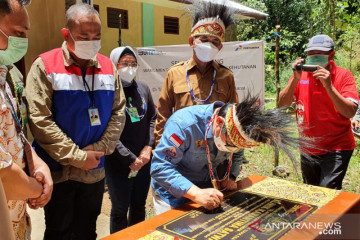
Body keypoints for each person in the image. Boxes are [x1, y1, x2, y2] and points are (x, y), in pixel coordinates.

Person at [26, 3, 126, 240]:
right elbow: (40, 120)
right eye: (83, 37)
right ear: (66, 34)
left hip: (94, 171)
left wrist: (98, 150)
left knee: (86, 231)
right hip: (57, 172)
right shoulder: (45, 66)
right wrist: (77, 157)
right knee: (58, 232)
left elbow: (119, 111)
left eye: (97, 36)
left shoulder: (108, 67)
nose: (91, 41)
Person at [151, 97, 303, 215]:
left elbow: (238, 151)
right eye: (231, 145)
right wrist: (195, 193)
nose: (233, 149)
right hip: (172, 194)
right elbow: (159, 167)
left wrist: (231, 176)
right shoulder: (184, 125)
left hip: (208, 192)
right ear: (218, 122)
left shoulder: (236, 127)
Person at [0, 0, 53, 239]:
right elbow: (5, 179)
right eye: (17, 33)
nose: (23, 41)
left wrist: (39, 165)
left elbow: (16, 135)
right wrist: (38, 189)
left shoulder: (5, 76)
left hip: (16, 221)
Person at [278, 34, 359, 190]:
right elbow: (282, 104)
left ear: (331, 55)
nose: (315, 57)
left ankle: (331, 215)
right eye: (311, 53)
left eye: (320, 54)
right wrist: (295, 78)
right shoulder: (301, 75)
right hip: (308, 146)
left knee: (327, 191)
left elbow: (349, 112)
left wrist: (329, 86)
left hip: (337, 146)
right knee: (311, 191)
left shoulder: (343, 75)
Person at [105, 46, 157, 233]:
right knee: (119, 209)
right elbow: (106, 129)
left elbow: (152, 117)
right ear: (114, 65)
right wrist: (129, 158)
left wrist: (148, 148)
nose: (130, 67)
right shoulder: (108, 91)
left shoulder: (142, 88)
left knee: (139, 205)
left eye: (133, 64)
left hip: (143, 162)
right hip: (118, 162)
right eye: (125, 63)